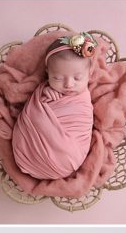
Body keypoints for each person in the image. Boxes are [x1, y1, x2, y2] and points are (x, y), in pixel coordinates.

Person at [12, 32, 96, 180]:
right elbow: (33, 111)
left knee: (67, 152)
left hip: (68, 157)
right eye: (57, 78)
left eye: (77, 78)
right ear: (47, 74)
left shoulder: (83, 99)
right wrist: (44, 96)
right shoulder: (46, 90)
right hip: (26, 153)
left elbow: (81, 122)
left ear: (89, 74)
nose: (68, 84)